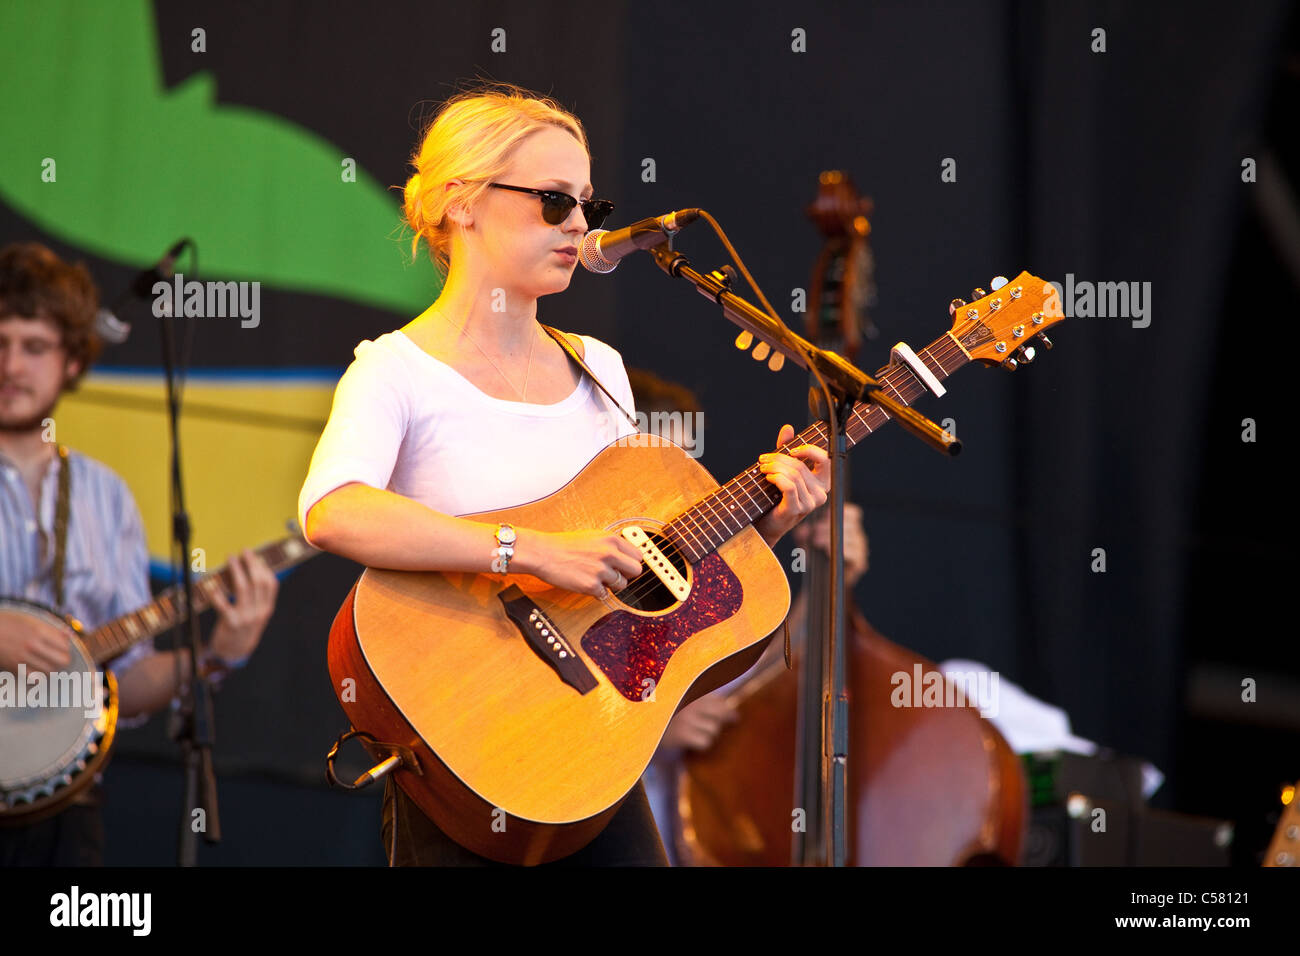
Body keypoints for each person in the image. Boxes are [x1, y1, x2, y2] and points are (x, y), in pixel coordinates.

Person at [297, 83, 831, 867]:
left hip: (589, 753)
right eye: (554, 201)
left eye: (588, 202)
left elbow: (637, 576)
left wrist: (767, 523)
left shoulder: (599, 368)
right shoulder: (395, 371)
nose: (582, 225)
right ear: (462, 203)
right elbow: (334, 513)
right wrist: (535, 551)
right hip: (466, 743)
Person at [0, 241, 279, 866]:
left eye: (35, 346)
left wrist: (214, 658)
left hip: (68, 814)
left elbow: (127, 680)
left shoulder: (107, 496)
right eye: (0, 342)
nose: (11, 364)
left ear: (73, 361)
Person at [626, 368, 869, 863]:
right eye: (666, 463)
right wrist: (650, 730)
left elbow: (757, 680)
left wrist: (830, 578)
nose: (687, 485)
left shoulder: (692, 568)